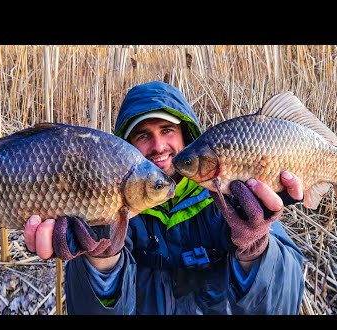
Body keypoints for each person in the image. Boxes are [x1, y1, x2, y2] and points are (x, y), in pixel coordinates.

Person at [24, 81, 305, 315]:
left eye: (167, 130)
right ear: (125, 148)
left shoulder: (235, 197)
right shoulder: (104, 207)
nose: (158, 146)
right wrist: (101, 265)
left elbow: (282, 306)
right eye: (143, 135)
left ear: (187, 136)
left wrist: (255, 249)